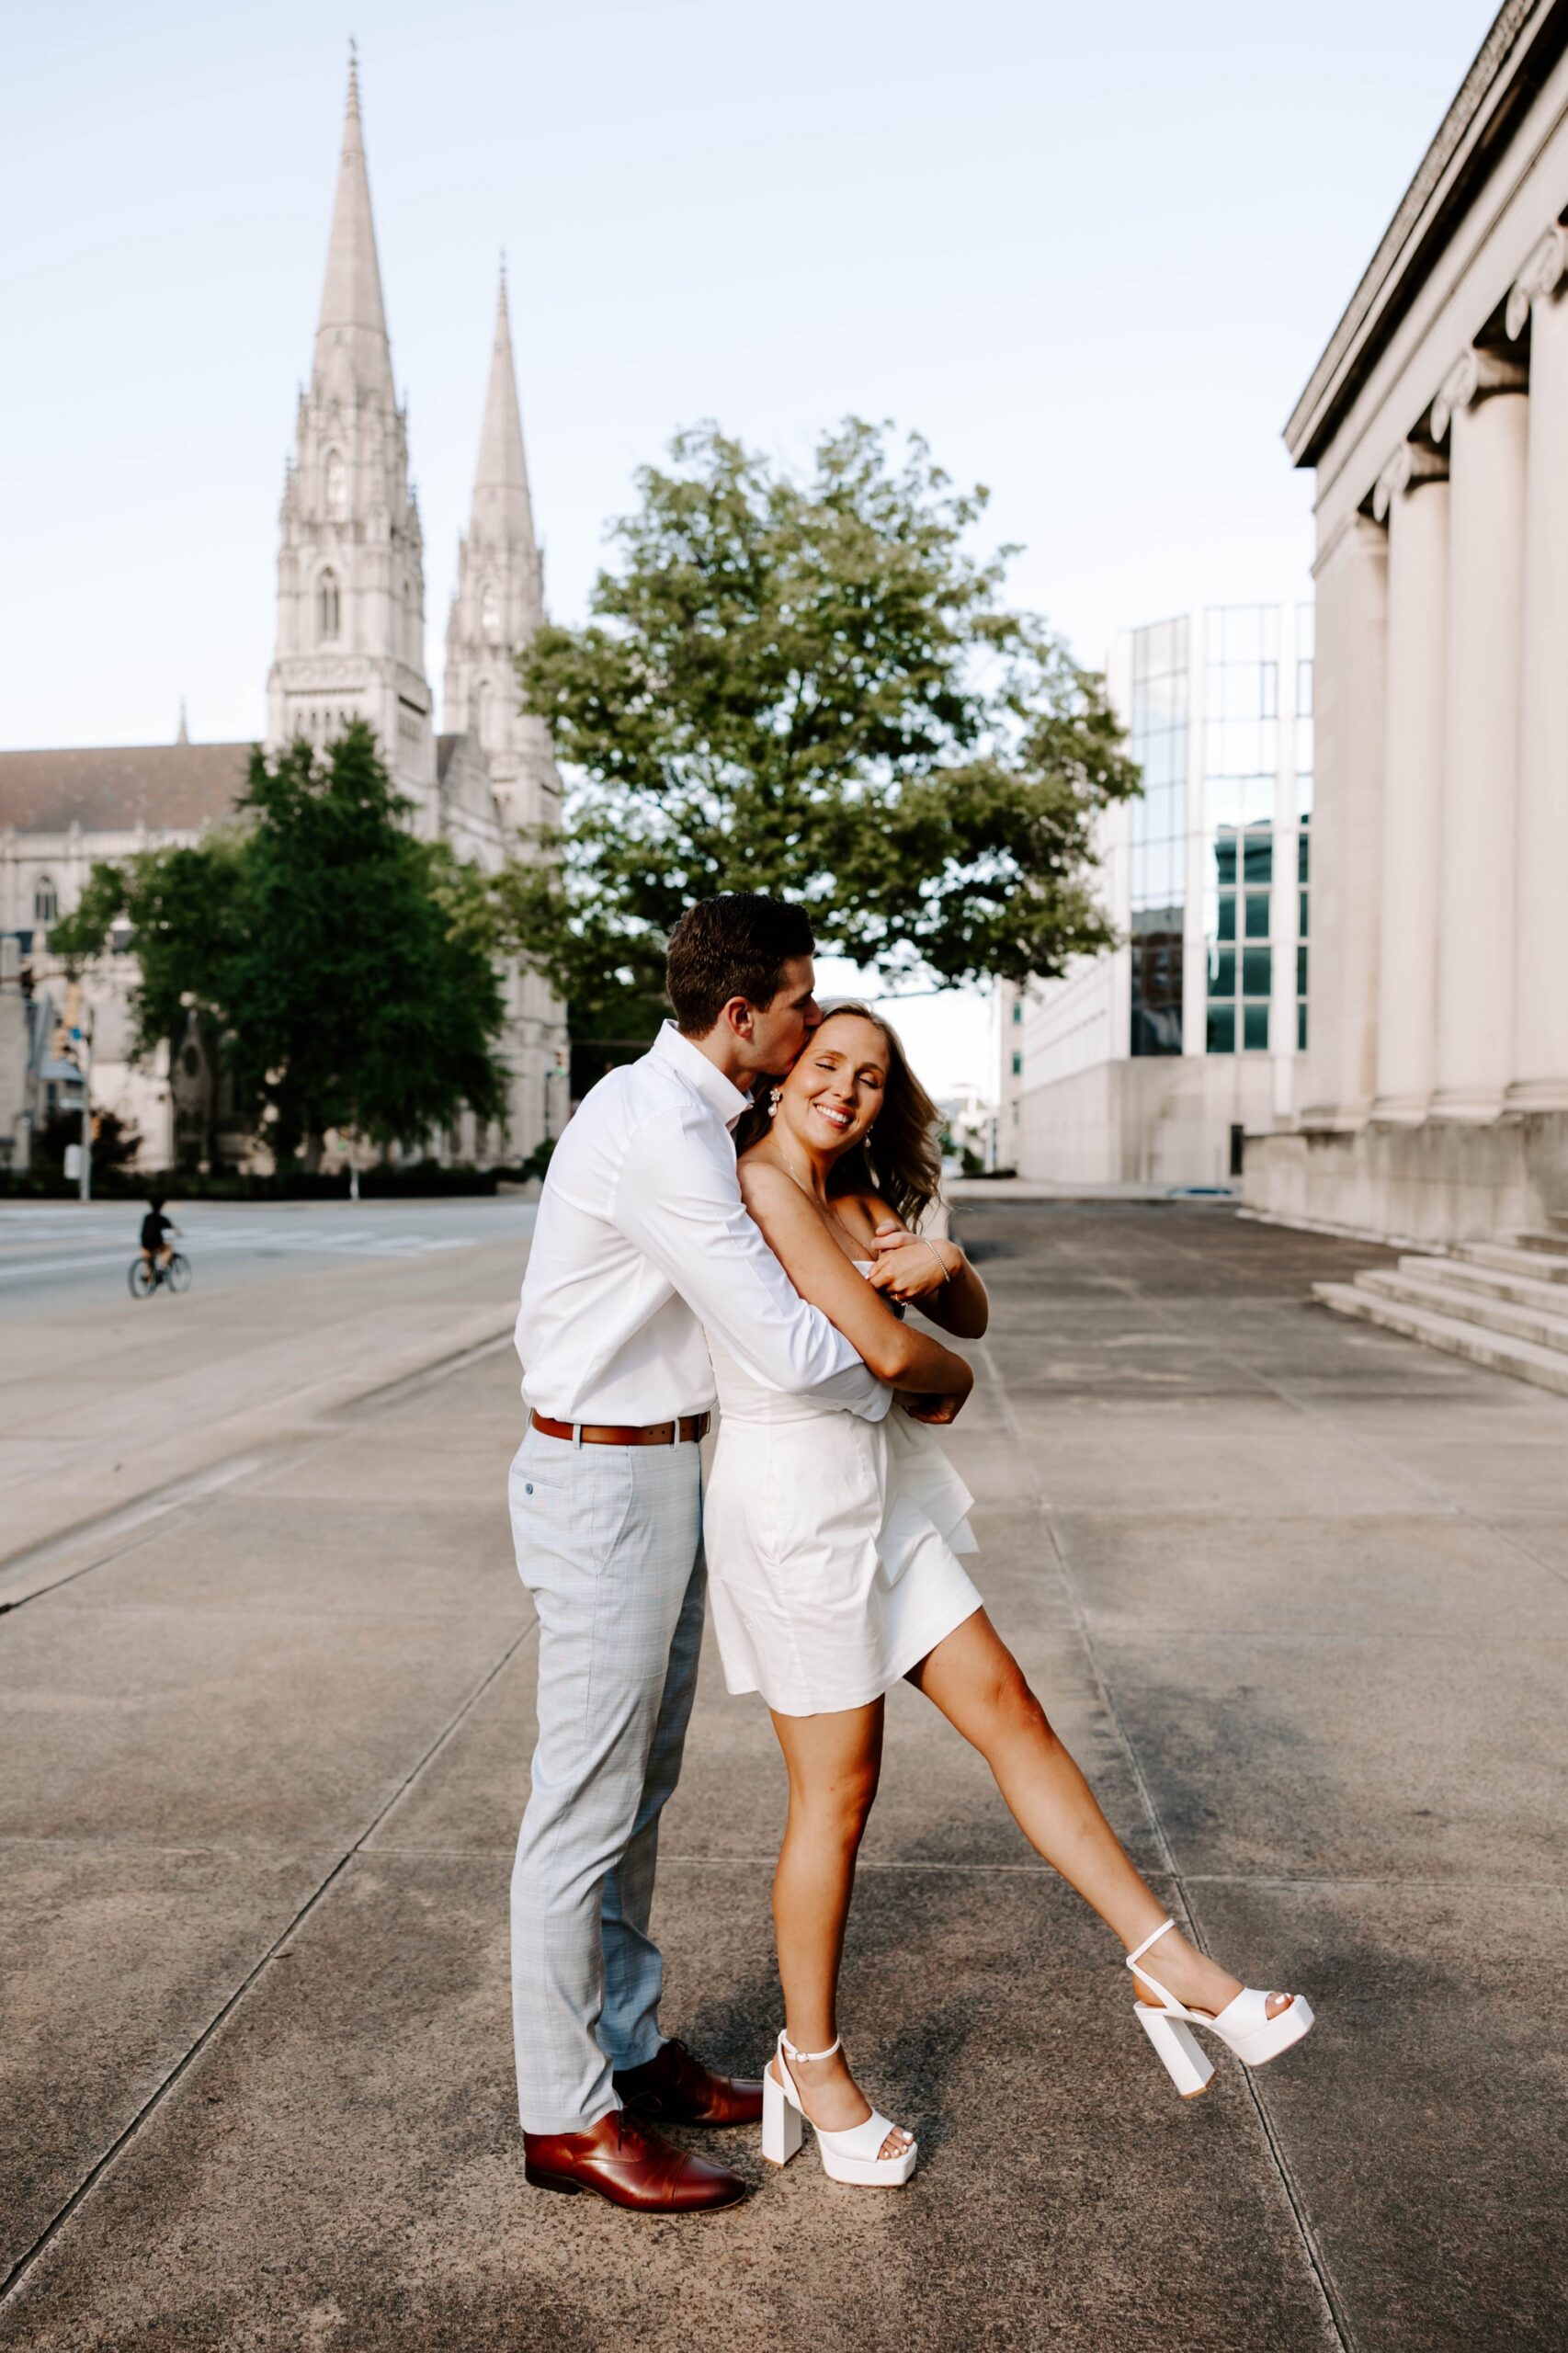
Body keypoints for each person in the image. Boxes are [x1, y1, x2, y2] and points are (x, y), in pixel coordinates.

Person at [703, 1002, 1315, 2189]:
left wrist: (951, 1267)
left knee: (1015, 1716)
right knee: (837, 1796)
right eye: (827, 1065)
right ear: (782, 1074)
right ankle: (808, 2063)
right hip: (791, 1512)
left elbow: (953, 1320)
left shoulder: (859, 1199)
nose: (848, 1090)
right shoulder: (763, 1186)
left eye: (872, 1078)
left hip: (881, 1492)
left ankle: (1168, 1964)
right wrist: (947, 1365)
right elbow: (901, 1359)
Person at [507, 898, 968, 2214]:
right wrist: (913, 1367)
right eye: (800, 1005)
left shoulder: (692, 1110)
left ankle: (632, 2046)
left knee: (637, 1789)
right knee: (580, 1804)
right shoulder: (662, 1133)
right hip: (602, 1476)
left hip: (653, 1466)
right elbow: (784, 1341)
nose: (814, 1022)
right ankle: (566, 2115)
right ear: (741, 1019)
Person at [139, 1198, 177, 1272]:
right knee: (168, 1248)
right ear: (162, 1206)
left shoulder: (147, 1217)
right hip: (156, 1243)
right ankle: (161, 1267)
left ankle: (147, 1276)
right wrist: (179, 1233)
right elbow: (172, 1227)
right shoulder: (162, 1218)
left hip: (145, 1243)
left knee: (149, 1260)